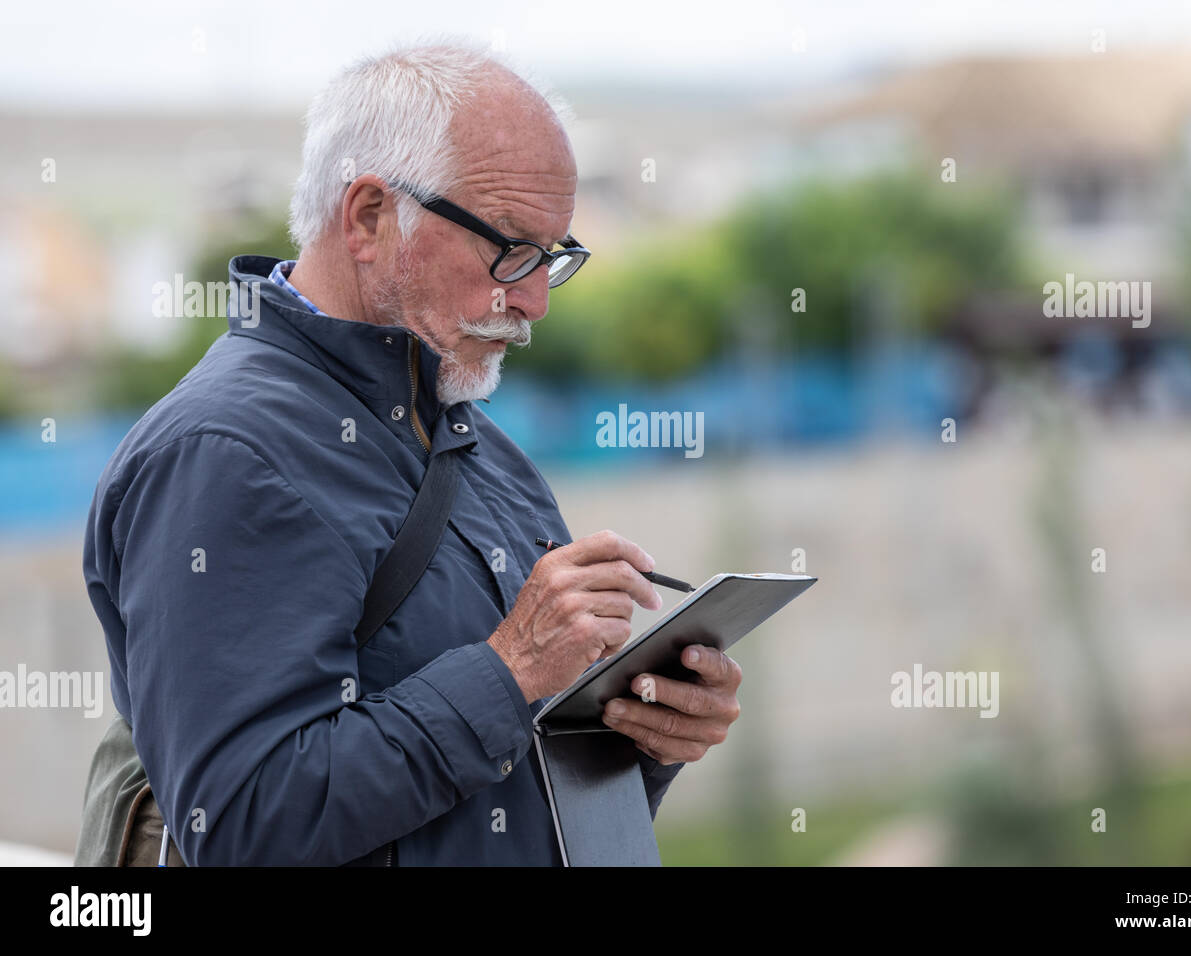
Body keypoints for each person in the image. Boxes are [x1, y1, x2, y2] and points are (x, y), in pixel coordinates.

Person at [81, 41, 742, 865]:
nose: (533, 300)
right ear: (367, 217)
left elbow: (509, 793)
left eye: (553, 257)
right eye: (509, 249)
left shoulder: (478, 442)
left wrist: (643, 738)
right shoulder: (221, 455)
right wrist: (509, 670)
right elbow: (245, 826)